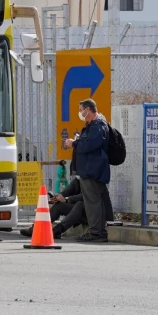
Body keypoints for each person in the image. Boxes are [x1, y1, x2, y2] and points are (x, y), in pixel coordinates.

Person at [63, 98, 110, 242]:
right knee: (95, 202)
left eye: (80, 110)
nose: (80, 113)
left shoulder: (98, 126)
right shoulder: (93, 126)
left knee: (93, 203)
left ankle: (96, 233)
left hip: (92, 171)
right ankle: (99, 232)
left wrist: (74, 143)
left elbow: (90, 145)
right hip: (90, 170)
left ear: (87, 110)